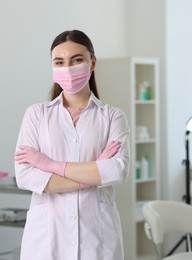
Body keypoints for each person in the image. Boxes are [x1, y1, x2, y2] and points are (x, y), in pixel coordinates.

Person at [14, 29, 130, 260]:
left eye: (77, 60)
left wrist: (49, 164)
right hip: (47, 240)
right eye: (59, 62)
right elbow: (26, 176)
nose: (68, 68)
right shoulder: (36, 115)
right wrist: (95, 171)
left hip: (97, 238)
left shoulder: (113, 117)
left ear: (92, 63)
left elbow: (117, 170)